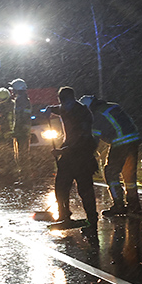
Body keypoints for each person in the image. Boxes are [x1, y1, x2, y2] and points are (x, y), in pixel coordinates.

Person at [45, 86, 99, 229]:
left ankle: (92, 218)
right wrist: (50, 109)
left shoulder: (83, 113)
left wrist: (63, 150)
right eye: (62, 103)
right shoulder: (64, 108)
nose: (64, 107)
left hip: (83, 155)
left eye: (66, 103)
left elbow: (83, 137)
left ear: (73, 99)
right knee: (61, 186)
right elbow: (58, 109)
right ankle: (64, 215)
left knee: (85, 189)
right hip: (68, 155)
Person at [82, 93, 141, 217]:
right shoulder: (112, 106)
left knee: (110, 173)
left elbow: (95, 138)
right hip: (134, 140)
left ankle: (119, 205)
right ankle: (134, 205)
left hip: (121, 143)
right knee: (129, 174)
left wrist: (90, 153)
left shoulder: (96, 116)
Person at [0, 86, 17, 178]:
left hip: (13, 134)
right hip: (0, 134)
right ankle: (1, 174)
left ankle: (14, 173)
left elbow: (18, 118)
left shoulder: (14, 105)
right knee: (0, 154)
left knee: (13, 154)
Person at [10, 78, 32, 177]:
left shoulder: (21, 100)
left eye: (13, 89)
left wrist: (18, 130)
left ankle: (25, 176)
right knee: (22, 155)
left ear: (17, 89)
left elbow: (22, 117)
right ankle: (23, 175)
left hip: (22, 133)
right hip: (22, 132)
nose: (12, 91)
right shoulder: (22, 99)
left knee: (22, 155)